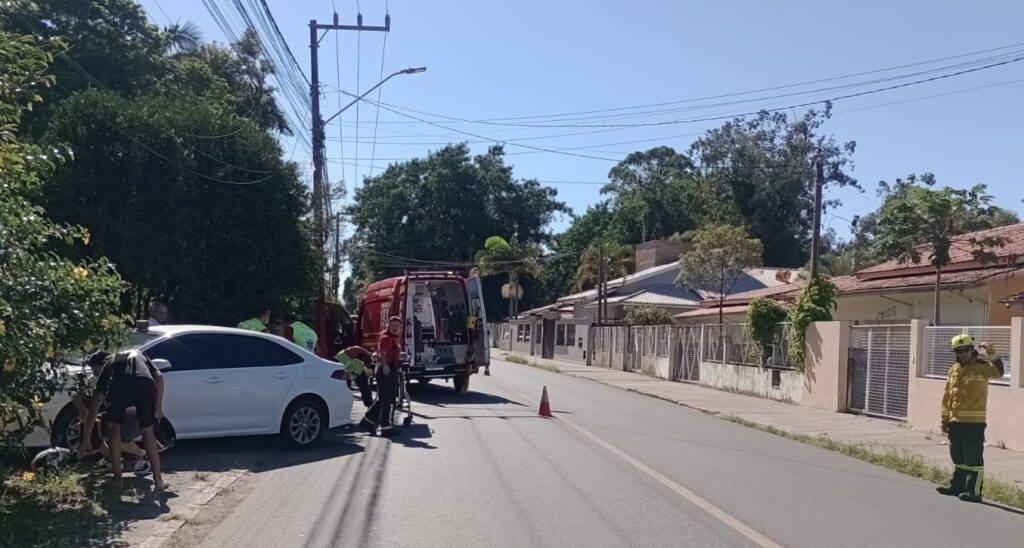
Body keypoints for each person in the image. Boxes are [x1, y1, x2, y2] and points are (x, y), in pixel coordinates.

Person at [80, 351, 168, 492]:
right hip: (144, 383)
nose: (94, 374)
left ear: (100, 364)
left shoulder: (109, 362)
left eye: (94, 369)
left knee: (114, 429)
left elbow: (93, 408)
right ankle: (158, 481)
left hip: (120, 386)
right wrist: (158, 407)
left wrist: (85, 439)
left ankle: (117, 480)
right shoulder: (139, 353)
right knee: (148, 431)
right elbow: (159, 376)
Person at [936, 334, 1004, 503]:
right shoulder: (953, 370)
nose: (964, 353)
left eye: (966, 349)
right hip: (955, 421)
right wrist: (945, 419)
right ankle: (957, 487)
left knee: (973, 458)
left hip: (974, 422)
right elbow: (947, 396)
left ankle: (974, 491)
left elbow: (999, 372)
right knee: (957, 456)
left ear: (972, 349)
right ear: (955, 352)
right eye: (959, 351)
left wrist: (991, 352)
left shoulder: (982, 367)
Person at [359, 316, 403, 437]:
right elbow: (382, 354)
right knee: (387, 400)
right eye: (393, 326)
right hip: (386, 370)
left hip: (391, 369)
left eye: (397, 326)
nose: (395, 328)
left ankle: (369, 422)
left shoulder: (395, 338)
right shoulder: (386, 338)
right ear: (388, 326)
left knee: (385, 399)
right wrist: (385, 366)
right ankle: (386, 427)